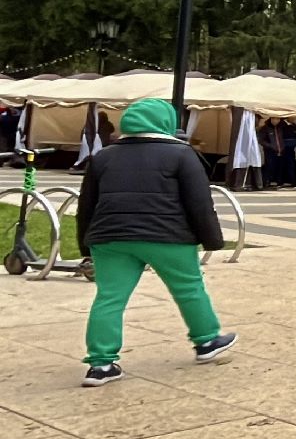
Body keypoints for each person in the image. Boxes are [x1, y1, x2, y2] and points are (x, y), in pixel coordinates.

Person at [74, 97, 236, 386]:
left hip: (111, 237)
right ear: (167, 123)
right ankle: (207, 341)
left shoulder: (104, 157)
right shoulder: (182, 155)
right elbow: (199, 203)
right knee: (188, 288)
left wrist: (85, 244)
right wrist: (212, 240)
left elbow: (87, 205)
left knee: (109, 297)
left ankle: (100, 364)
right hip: (167, 235)